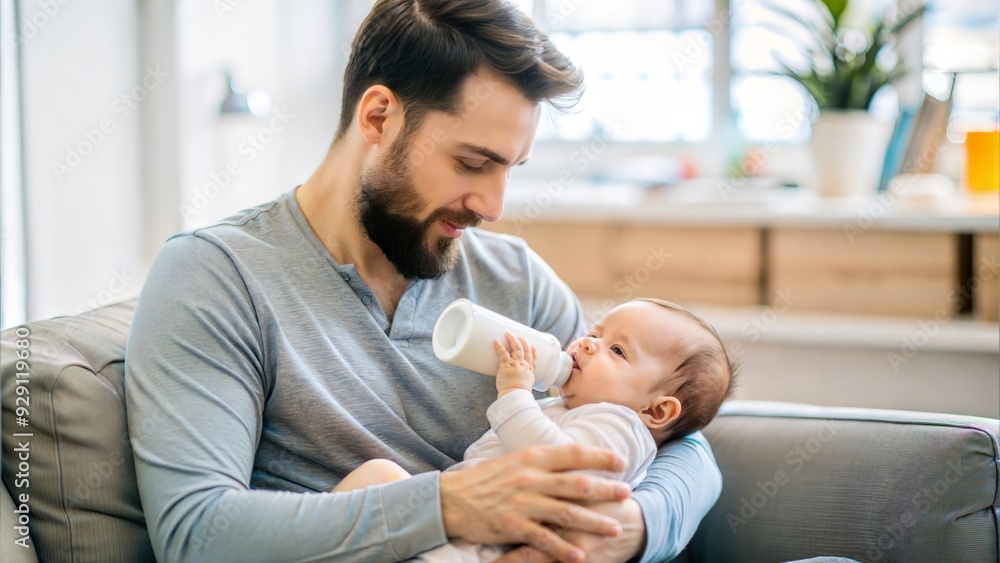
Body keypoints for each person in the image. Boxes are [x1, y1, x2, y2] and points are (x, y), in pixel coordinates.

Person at [124, 1, 723, 562]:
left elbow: (682, 441)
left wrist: (631, 528)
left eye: (511, 169)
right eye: (472, 163)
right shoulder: (217, 277)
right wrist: (449, 506)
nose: (492, 205)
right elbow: (196, 533)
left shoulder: (514, 277)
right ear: (379, 116)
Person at [331, 298, 739, 562]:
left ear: (657, 410)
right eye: (595, 333)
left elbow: (559, 465)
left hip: (490, 547)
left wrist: (514, 393)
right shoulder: (564, 406)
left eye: (617, 350)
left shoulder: (621, 427)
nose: (587, 344)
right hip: (452, 524)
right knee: (377, 475)